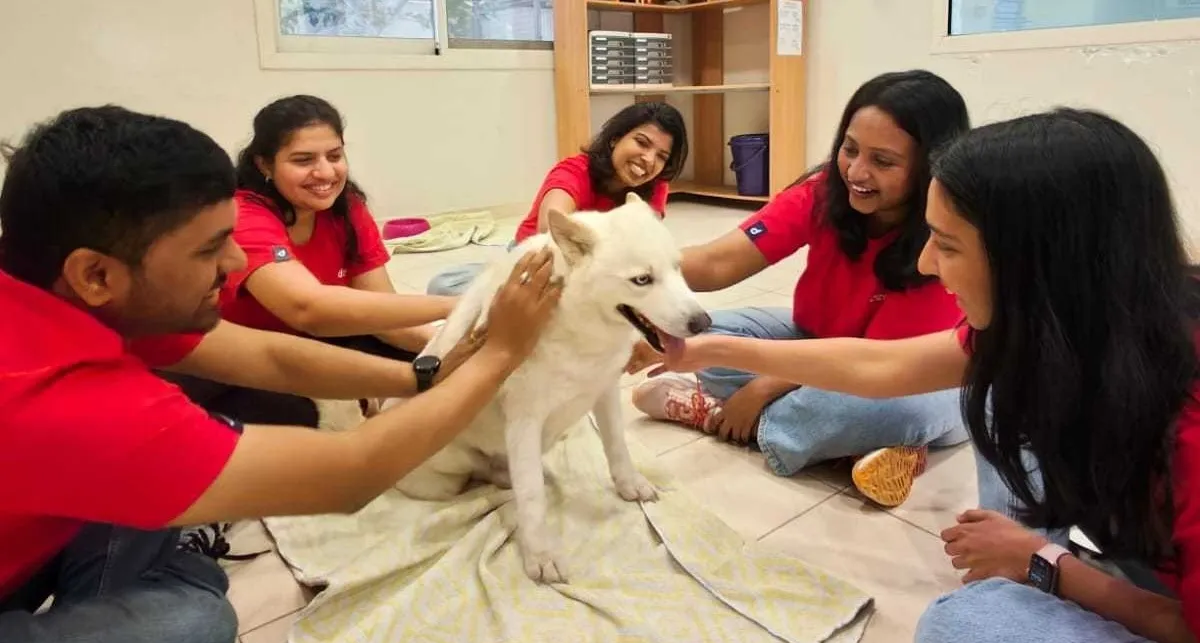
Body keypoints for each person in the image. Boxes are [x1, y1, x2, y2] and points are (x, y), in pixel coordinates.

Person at [0, 105, 561, 643]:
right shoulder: (54, 394)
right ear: (96, 273)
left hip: (35, 531)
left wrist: (429, 369)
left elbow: (268, 355)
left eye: (229, 238)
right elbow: (350, 470)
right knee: (194, 629)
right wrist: (500, 353)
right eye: (210, 250)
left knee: (200, 482)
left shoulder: (62, 292)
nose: (236, 263)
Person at [653, 108, 1200, 643]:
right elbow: (878, 365)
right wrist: (705, 348)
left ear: (1036, 262)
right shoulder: (1066, 325)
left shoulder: (1185, 424)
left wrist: (1043, 564)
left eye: (947, 243)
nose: (924, 260)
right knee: (996, 390)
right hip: (1147, 569)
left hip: (1173, 618)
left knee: (963, 632)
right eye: (851, 151)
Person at [630, 70, 971, 507]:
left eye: (883, 162)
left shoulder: (943, 235)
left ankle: (720, 416)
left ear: (929, 168)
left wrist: (762, 387)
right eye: (850, 149)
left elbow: (878, 366)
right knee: (695, 332)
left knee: (890, 408)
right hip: (818, 339)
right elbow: (719, 261)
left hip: (906, 374)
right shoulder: (824, 191)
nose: (857, 171)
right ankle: (865, 449)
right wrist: (633, 266)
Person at [168, 94, 459, 427]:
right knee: (295, 416)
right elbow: (308, 309)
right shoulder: (245, 215)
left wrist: (453, 347)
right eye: (303, 160)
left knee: (429, 362)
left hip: (314, 341)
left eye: (334, 156)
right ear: (265, 165)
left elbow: (382, 311)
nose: (324, 173)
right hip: (242, 360)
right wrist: (456, 305)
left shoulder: (346, 207)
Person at [425, 100, 689, 296]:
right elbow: (550, 232)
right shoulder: (575, 171)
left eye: (662, 156)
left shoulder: (654, 185)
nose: (649, 160)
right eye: (642, 143)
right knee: (443, 286)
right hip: (539, 259)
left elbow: (646, 243)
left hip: (601, 273)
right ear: (614, 140)